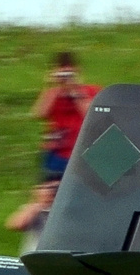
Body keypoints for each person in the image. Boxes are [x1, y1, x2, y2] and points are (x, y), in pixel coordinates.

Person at [30, 51, 99, 180]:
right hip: (57, 152)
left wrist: (75, 91)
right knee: (52, 189)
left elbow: (91, 115)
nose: (66, 78)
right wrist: (52, 86)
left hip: (84, 150)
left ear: (77, 71)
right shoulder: (53, 93)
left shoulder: (91, 91)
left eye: (69, 74)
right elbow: (39, 113)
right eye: (62, 73)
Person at [5, 180, 58, 254]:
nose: (52, 192)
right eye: (49, 188)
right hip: (35, 256)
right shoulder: (35, 209)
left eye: (55, 189)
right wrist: (40, 204)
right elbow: (16, 225)